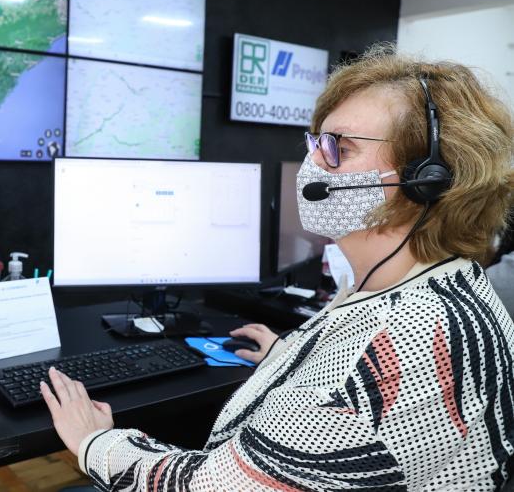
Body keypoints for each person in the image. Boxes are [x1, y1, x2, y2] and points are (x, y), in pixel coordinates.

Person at [41, 45, 514, 490]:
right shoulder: (448, 286)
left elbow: (204, 487)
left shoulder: (391, 354)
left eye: (339, 147)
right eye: (316, 143)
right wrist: (289, 359)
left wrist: (94, 441)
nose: (312, 165)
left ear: (426, 181)